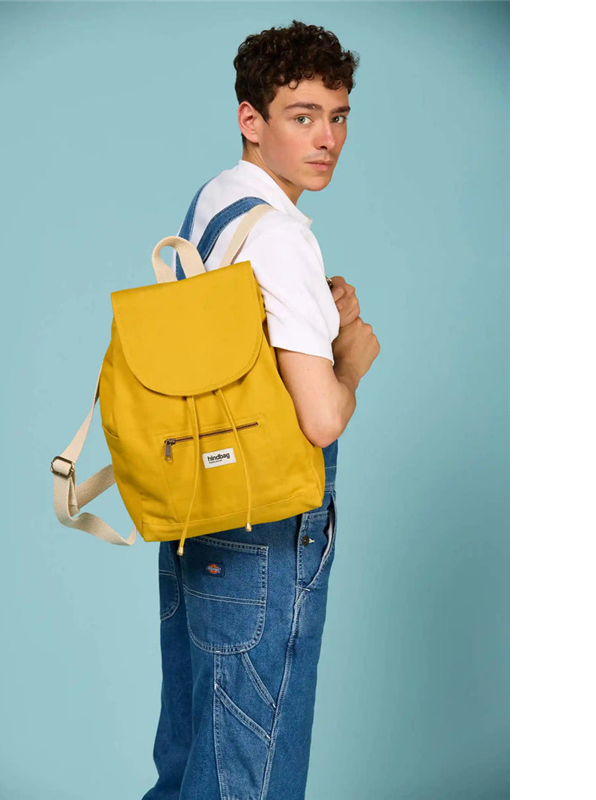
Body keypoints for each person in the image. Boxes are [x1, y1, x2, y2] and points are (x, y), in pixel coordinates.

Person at [143, 20, 380, 800]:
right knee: (246, 775)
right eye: (302, 116)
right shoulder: (279, 234)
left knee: (192, 763)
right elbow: (321, 419)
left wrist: (313, 313)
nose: (327, 139)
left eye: (337, 117)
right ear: (252, 119)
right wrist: (350, 359)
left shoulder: (217, 201)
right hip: (262, 529)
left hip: (198, 510)